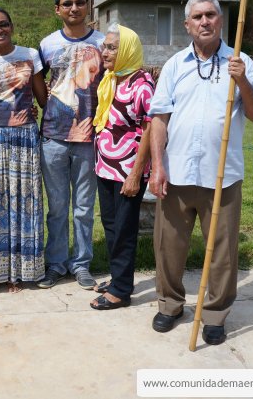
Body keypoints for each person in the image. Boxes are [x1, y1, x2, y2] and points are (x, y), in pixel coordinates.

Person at [148, 0, 253, 344]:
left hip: (223, 176)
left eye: (211, 15)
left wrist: (242, 80)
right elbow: (159, 119)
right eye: (198, 16)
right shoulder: (175, 65)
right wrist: (157, 167)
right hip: (177, 173)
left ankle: (215, 315)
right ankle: (170, 305)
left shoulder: (241, 62)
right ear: (187, 25)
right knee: (168, 247)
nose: (205, 21)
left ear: (221, 20)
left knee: (222, 251)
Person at [0, 7, 47, 294]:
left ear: (11, 26)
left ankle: (19, 272)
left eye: (3, 24)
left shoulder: (30, 55)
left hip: (24, 138)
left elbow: (42, 98)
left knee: (23, 204)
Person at [36, 0, 104, 291]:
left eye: (79, 2)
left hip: (89, 136)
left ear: (87, 6)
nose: (74, 8)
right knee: (57, 206)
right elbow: (37, 84)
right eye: (67, 3)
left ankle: (82, 264)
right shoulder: (47, 44)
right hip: (54, 136)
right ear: (58, 9)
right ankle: (56, 263)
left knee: (84, 207)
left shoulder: (102, 43)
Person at [89, 23, 155, 310]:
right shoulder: (112, 78)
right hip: (105, 166)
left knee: (125, 228)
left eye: (112, 48)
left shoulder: (142, 84)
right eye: (104, 46)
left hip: (128, 169)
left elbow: (150, 129)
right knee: (111, 224)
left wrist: (136, 174)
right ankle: (119, 278)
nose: (105, 52)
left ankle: (121, 291)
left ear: (127, 49)